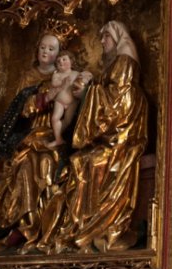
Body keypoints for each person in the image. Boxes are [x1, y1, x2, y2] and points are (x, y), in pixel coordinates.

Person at [38, 21, 148, 253]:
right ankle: (80, 228)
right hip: (110, 135)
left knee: (87, 162)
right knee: (79, 161)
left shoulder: (124, 63)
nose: (102, 41)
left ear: (116, 39)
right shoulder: (114, 65)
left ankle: (96, 227)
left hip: (121, 138)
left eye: (105, 37)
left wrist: (88, 92)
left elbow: (117, 104)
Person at [0, 33, 64, 251]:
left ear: (59, 54)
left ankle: (45, 227)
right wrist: (43, 98)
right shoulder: (28, 76)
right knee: (24, 165)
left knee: (47, 164)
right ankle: (23, 225)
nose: (46, 52)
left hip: (52, 134)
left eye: (51, 49)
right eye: (43, 47)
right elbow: (21, 109)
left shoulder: (63, 76)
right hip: (29, 134)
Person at [45, 50, 85, 148]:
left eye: (64, 59)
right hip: (59, 101)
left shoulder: (76, 73)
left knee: (68, 121)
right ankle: (58, 139)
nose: (61, 62)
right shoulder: (57, 74)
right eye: (58, 61)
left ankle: (58, 136)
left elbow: (83, 83)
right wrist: (63, 82)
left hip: (72, 102)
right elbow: (54, 84)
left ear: (71, 61)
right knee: (55, 118)